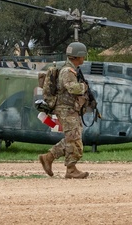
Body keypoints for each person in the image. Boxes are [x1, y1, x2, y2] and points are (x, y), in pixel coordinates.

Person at [38, 41, 92, 179]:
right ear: (78, 56)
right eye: (83, 55)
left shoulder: (70, 69)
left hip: (69, 109)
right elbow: (71, 87)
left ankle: (48, 157)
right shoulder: (68, 71)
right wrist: (84, 87)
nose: (84, 58)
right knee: (74, 139)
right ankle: (71, 169)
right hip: (65, 109)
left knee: (72, 137)